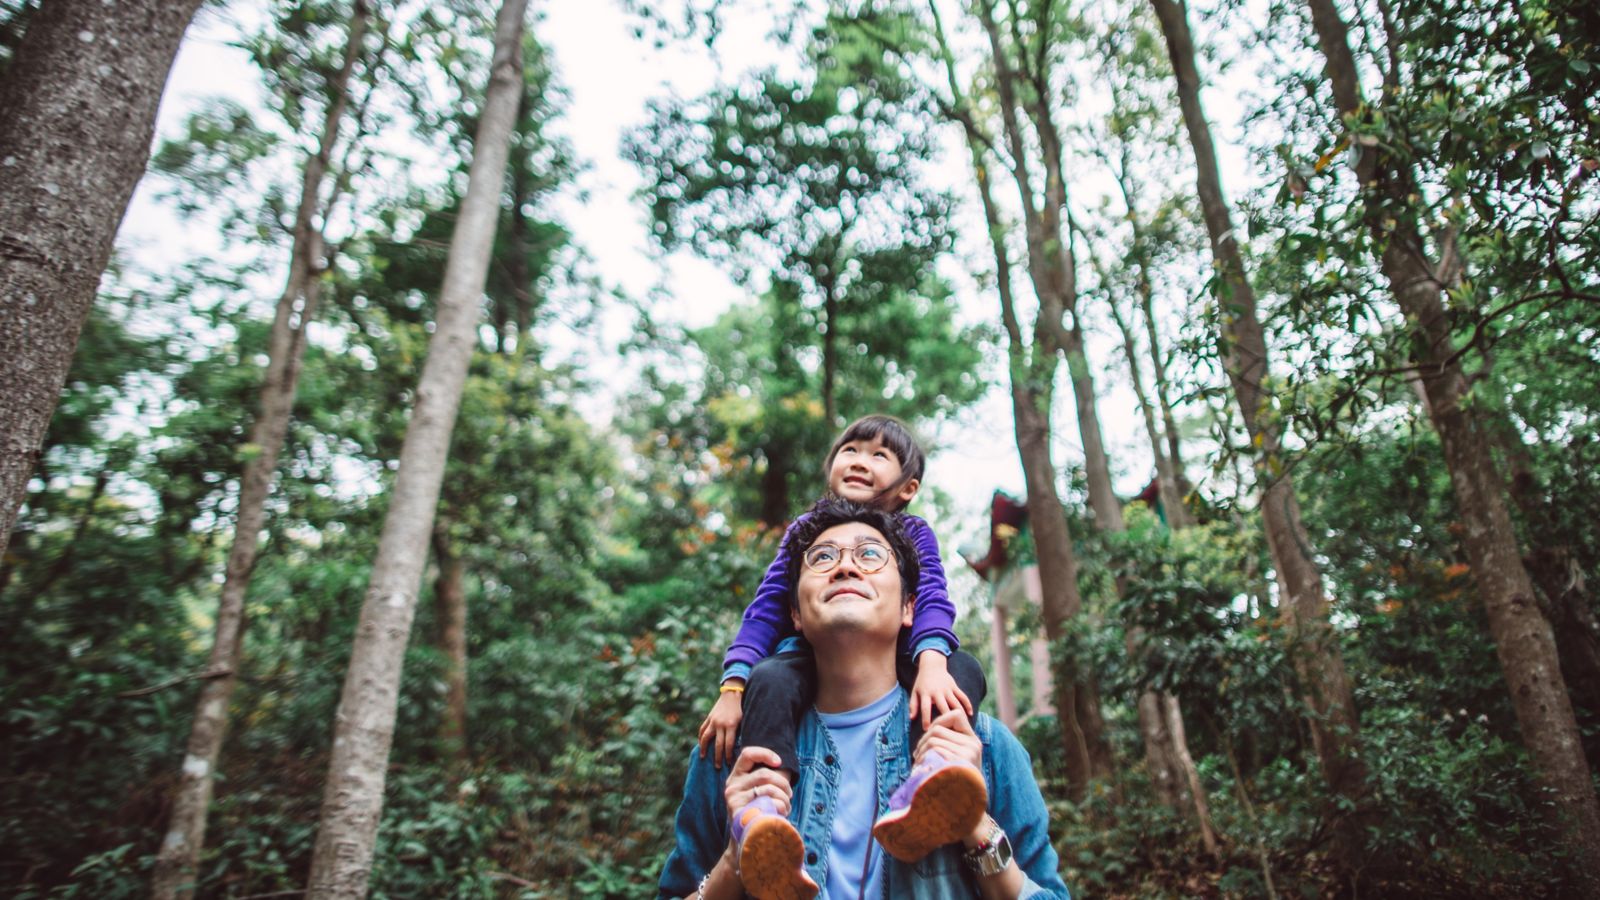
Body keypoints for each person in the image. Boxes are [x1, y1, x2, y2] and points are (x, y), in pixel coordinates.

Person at [659, 499, 1071, 899]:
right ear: (796, 615)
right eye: (821, 559)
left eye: (870, 554)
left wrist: (974, 824)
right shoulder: (734, 755)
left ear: (910, 607)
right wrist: (734, 862)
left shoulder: (985, 748)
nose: (845, 566)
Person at [698, 416, 991, 888]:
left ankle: (935, 776)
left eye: (880, 455)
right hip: (806, 661)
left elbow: (933, 595)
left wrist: (932, 658)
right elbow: (765, 609)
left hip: (905, 654)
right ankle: (762, 813)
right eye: (850, 450)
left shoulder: (913, 533)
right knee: (769, 679)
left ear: (908, 487)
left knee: (962, 670)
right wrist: (733, 685)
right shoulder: (805, 532)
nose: (860, 460)